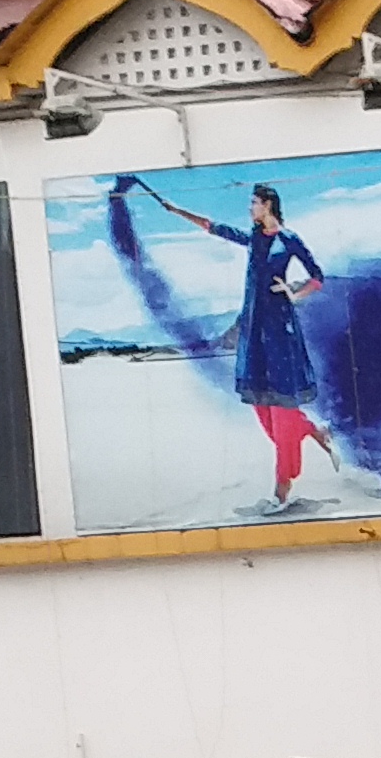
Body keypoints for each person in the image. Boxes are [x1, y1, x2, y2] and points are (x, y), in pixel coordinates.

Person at [141, 180, 337, 513]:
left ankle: (282, 489)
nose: (250, 208)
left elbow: (317, 276)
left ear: (268, 205)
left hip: (281, 329)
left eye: (254, 203)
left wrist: (293, 292)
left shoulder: (289, 240)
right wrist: (177, 211)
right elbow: (213, 227)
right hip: (254, 328)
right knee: (264, 411)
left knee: (282, 411)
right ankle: (313, 432)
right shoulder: (254, 238)